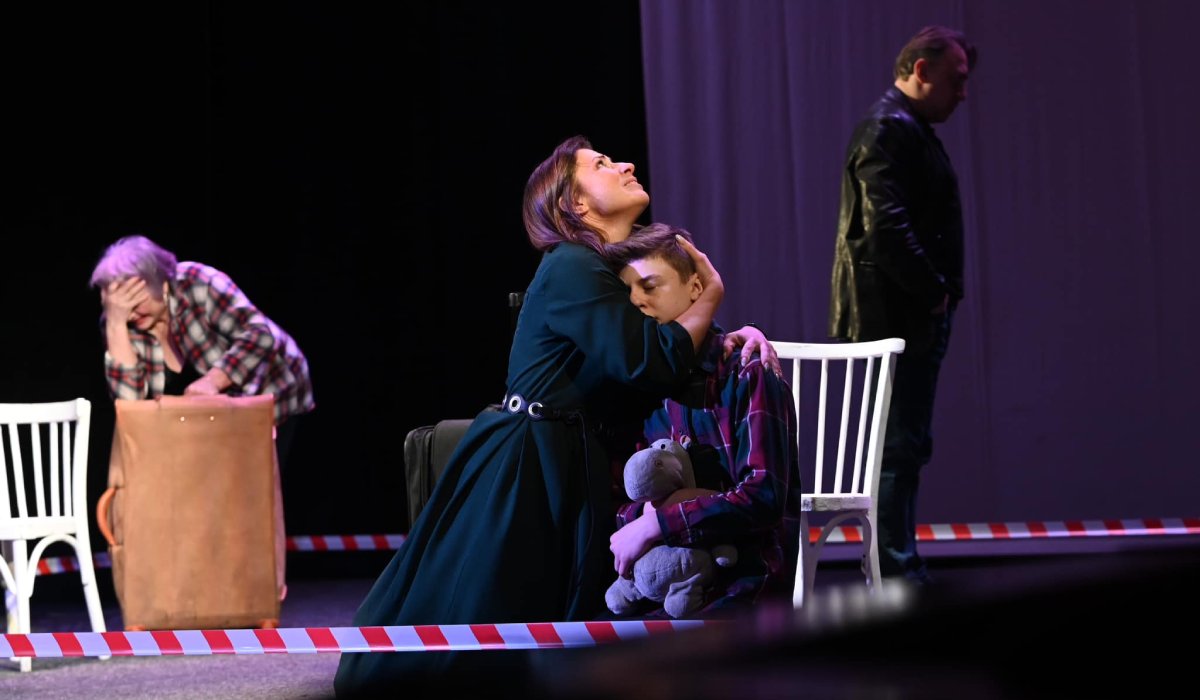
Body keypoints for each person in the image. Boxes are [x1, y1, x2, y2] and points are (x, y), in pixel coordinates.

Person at [333, 136, 772, 696]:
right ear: (576, 204)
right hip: (526, 458)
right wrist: (711, 294)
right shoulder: (571, 263)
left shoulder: (601, 271)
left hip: (563, 452)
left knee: (540, 617)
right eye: (602, 164)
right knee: (490, 608)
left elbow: (659, 350)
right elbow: (649, 360)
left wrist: (732, 336)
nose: (625, 164)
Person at [828, 26, 976, 584]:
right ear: (921, 70)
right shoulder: (888, 127)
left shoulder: (902, 127)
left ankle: (896, 564)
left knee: (904, 445)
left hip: (904, 316)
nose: (962, 93)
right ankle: (894, 569)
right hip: (894, 319)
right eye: (956, 80)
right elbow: (884, 226)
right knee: (896, 447)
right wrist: (933, 291)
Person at [606, 224, 799, 617]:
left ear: (696, 288)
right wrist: (642, 518)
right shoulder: (645, 385)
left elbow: (764, 497)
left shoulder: (747, 372)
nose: (637, 301)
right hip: (665, 584)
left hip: (741, 581)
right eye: (628, 293)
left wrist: (658, 523)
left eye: (650, 286)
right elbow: (625, 496)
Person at [89, 235, 315, 463]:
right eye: (121, 307)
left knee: (257, 478)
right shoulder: (119, 322)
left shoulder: (197, 282)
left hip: (276, 385)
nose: (130, 315)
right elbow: (130, 407)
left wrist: (212, 381)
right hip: (224, 418)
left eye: (136, 303)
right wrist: (115, 324)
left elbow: (260, 335)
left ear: (162, 283)